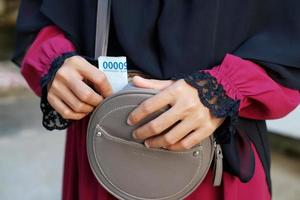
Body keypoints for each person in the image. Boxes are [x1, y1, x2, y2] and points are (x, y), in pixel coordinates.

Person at [13, 0, 300, 199]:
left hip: (212, 157)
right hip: (105, 146)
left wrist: (221, 90)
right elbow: (40, 17)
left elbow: (288, 41)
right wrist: (56, 62)